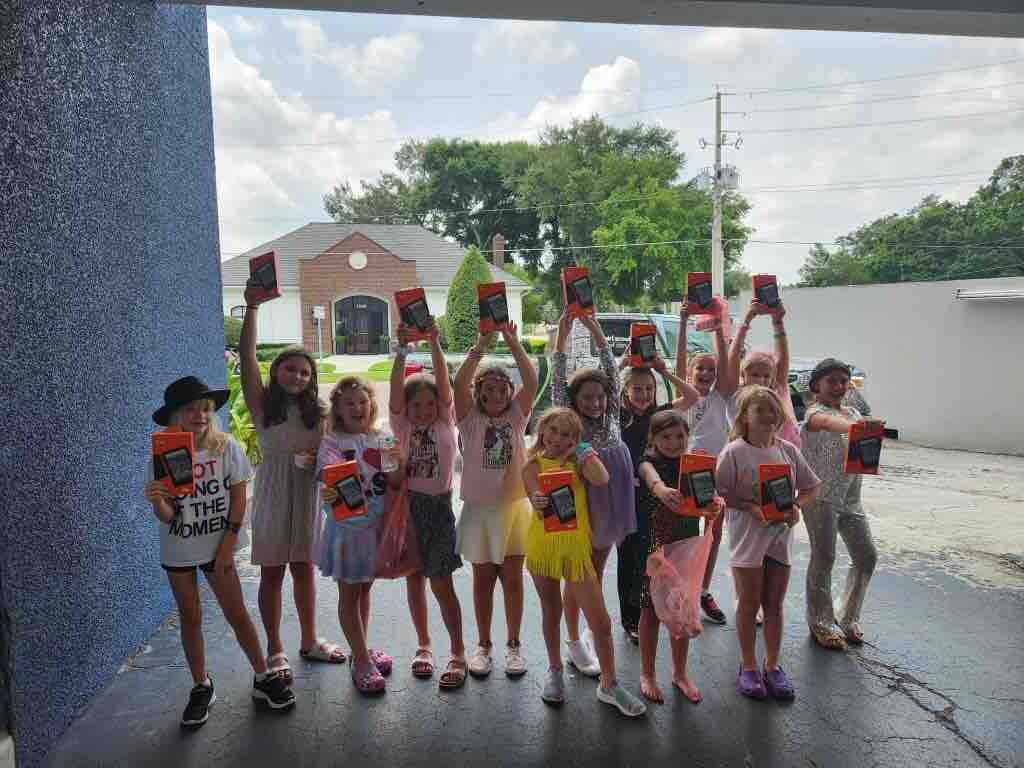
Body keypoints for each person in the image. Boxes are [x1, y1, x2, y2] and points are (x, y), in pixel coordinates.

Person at [144, 376, 295, 728]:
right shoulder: (163, 455)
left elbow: (239, 499)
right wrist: (157, 502)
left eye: (205, 408)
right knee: (190, 616)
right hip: (179, 547)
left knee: (237, 613)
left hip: (218, 545)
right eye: (190, 409)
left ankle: (262, 676)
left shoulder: (226, 448)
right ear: (175, 415)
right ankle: (201, 686)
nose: (199, 415)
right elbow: (168, 516)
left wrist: (227, 546)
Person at [239, 288, 344, 683]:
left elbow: (338, 454)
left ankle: (309, 640)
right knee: (271, 574)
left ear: (312, 378)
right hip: (271, 494)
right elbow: (246, 358)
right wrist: (251, 307)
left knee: (304, 571)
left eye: (305, 371)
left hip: (307, 495)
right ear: (275, 372)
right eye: (290, 369)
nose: (297, 376)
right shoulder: (262, 405)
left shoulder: (321, 412)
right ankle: (274, 648)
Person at [523, 408, 647, 717]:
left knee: (602, 623)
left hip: (576, 549)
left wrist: (582, 452)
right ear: (542, 431)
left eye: (567, 434)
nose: (558, 438)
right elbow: (535, 500)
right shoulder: (532, 465)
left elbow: (602, 479)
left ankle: (609, 684)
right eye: (553, 431)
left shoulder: (580, 463)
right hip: (543, 546)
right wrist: (538, 500)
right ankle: (554, 671)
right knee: (551, 610)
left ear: (576, 440)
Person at [716, 386, 820, 700]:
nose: (767, 415)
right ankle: (747, 666)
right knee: (749, 603)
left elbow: (811, 486)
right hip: (748, 538)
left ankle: (772, 666)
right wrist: (751, 507)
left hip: (780, 539)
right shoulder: (734, 451)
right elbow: (720, 493)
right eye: (759, 409)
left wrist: (798, 507)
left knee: (774, 604)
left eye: (772, 409)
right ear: (743, 416)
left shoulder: (788, 449)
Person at [552, 311, 636, 676]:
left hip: (614, 500)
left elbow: (612, 372)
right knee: (577, 572)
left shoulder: (613, 413)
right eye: (587, 398)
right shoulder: (571, 420)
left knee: (595, 572)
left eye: (600, 397)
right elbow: (557, 379)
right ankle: (572, 639)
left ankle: (585, 630)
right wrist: (563, 335)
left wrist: (594, 326)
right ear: (575, 400)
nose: (596, 403)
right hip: (586, 500)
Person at [454, 322, 537, 679]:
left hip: (514, 509)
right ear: (479, 393)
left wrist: (512, 341)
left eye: (502, 389)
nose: (496, 395)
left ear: (510, 391)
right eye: (488, 390)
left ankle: (514, 646)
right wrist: (482, 341)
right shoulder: (469, 421)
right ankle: (483, 646)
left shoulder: (517, 418)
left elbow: (532, 381)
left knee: (514, 581)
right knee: (483, 581)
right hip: (480, 512)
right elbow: (458, 383)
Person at [389, 322, 467, 688]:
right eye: (415, 404)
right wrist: (401, 351)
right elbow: (394, 394)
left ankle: (457, 652)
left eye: (428, 403)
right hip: (409, 509)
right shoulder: (402, 426)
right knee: (414, 580)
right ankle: (423, 645)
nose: (422, 409)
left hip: (439, 508)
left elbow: (445, 385)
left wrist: (435, 342)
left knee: (442, 583)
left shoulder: (446, 422)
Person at [315, 376, 403, 694]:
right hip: (349, 532)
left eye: (362, 402)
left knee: (365, 592)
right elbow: (330, 474)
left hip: (376, 529)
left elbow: (395, 480)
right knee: (350, 596)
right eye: (349, 403)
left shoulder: (382, 437)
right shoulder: (332, 442)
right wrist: (328, 487)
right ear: (338, 409)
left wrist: (396, 457)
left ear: (371, 404)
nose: (357, 408)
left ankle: (360, 651)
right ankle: (362, 661)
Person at [635, 410, 723, 703]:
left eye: (680, 436)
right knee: (650, 611)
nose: (674, 442)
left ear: (688, 435)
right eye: (666, 437)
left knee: (681, 609)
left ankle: (679, 672)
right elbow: (650, 477)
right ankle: (647, 672)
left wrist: (712, 506)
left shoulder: (696, 464)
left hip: (685, 547)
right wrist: (660, 489)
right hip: (655, 548)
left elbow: (705, 501)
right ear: (653, 439)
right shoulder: (649, 463)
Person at [616, 350, 701, 642]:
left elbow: (692, 396)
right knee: (629, 557)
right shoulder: (619, 416)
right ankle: (631, 618)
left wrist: (664, 371)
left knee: (660, 556)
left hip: (661, 499)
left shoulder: (660, 414)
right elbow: (600, 392)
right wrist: (622, 365)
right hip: (629, 495)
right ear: (625, 391)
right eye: (637, 389)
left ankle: (659, 610)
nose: (643, 394)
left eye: (648, 389)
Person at [725, 297, 800, 623]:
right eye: (752, 373)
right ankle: (744, 595)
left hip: (783, 471)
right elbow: (730, 364)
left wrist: (778, 321)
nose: (759, 379)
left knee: (777, 539)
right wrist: (747, 319)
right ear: (743, 375)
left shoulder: (778, 390)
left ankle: (762, 595)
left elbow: (782, 360)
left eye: (764, 374)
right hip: (748, 474)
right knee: (744, 538)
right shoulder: (738, 398)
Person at [800, 358, 881, 650]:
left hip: (850, 499)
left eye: (843, 381)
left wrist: (863, 427)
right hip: (820, 499)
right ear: (815, 386)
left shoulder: (853, 412)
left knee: (867, 556)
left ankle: (846, 615)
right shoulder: (814, 413)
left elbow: (862, 439)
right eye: (831, 381)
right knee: (824, 558)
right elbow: (828, 423)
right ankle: (820, 623)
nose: (838, 386)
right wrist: (857, 427)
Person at [677, 298, 739, 625]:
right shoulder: (684, 395)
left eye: (710, 370)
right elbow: (679, 358)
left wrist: (718, 327)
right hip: (687, 474)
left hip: (716, 473)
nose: (705, 373)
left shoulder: (721, 396)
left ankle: (703, 589)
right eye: (699, 368)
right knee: (686, 532)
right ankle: (683, 587)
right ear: (689, 372)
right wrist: (684, 321)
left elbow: (727, 365)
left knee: (712, 535)